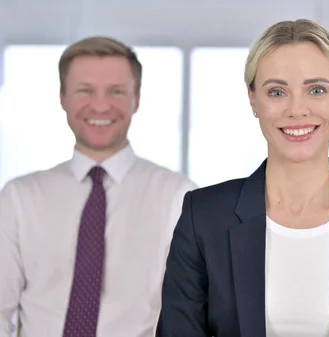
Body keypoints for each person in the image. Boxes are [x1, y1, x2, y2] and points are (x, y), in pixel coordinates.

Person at [156, 19, 329, 337]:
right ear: (253, 100)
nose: (296, 109)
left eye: (316, 90)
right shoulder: (203, 215)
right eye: (277, 91)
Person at [0, 36, 197, 337]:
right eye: (85, 90)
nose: (101, 106)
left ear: (137, 99)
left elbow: (193, 313)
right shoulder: (19, 198)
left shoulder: (180, 197)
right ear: (63, 97)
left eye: (116, 91)